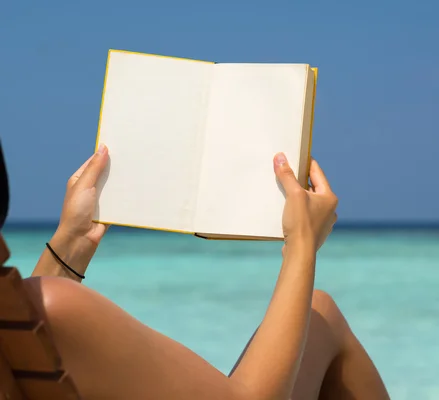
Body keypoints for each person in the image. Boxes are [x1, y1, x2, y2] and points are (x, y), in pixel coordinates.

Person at [2, 142, 390, 399]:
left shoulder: (26, 315)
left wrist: (70, 243)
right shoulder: (56, 308)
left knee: (319, 315)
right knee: (321, 314)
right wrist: (302, 244)